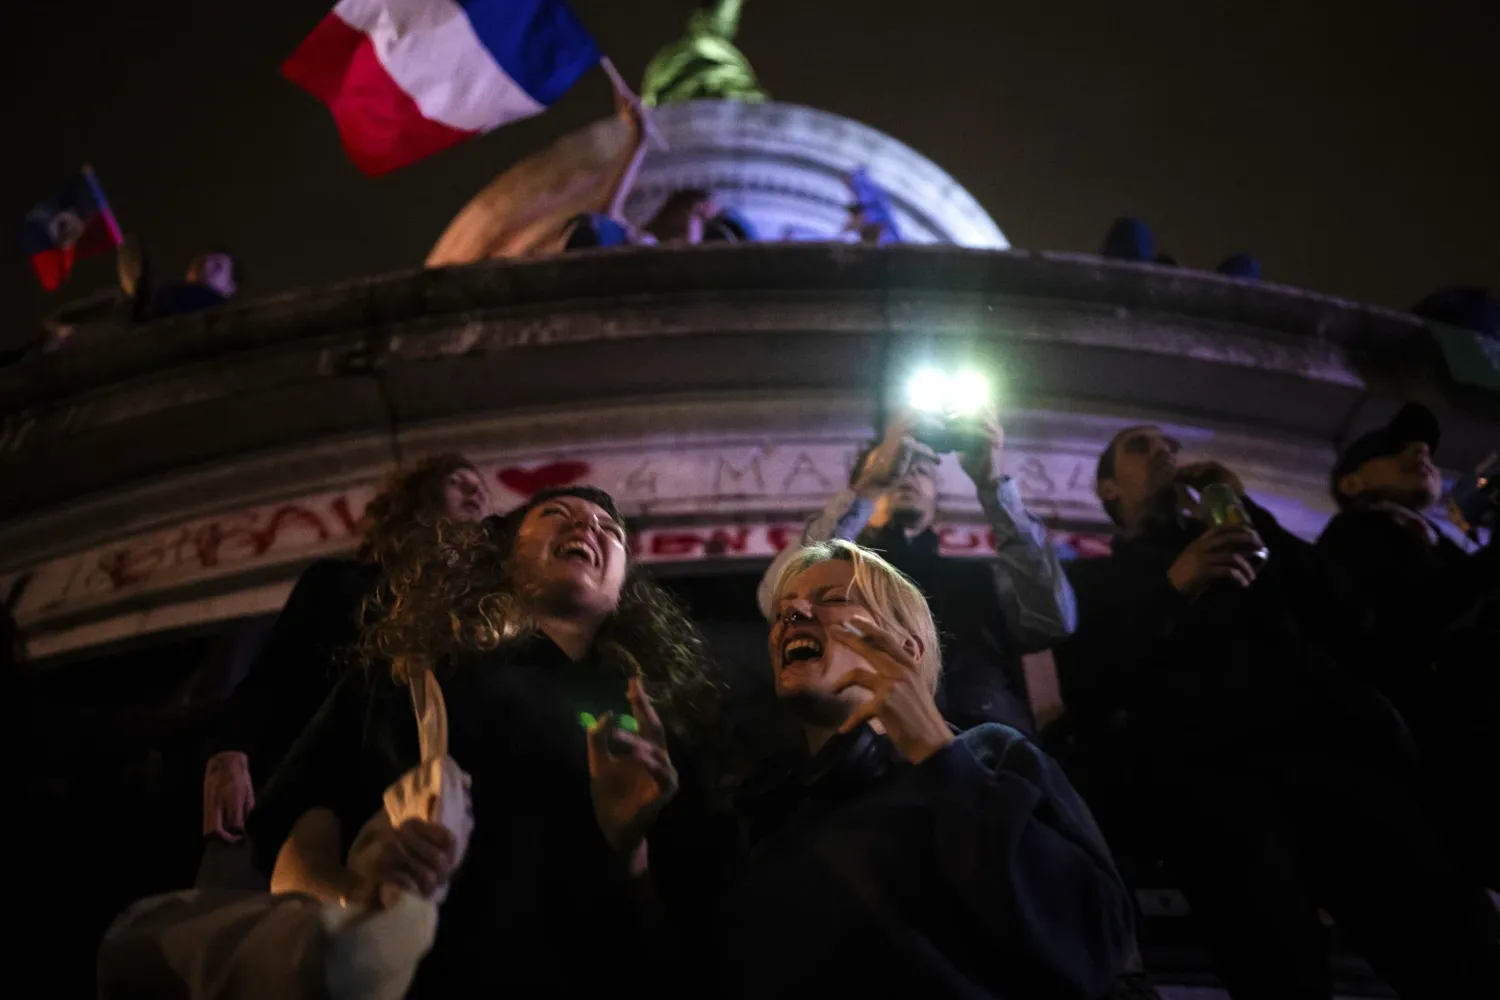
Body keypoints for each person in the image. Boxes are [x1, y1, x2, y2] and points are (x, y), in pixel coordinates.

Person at [1056, 424, 1500, 999]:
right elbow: (1091, 685)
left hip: (1338, 764)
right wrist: (1173, 587)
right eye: (1141, 448)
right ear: (1109, 489)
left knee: (1459, 952)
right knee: (1278, 973)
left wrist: (1250, 511)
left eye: (1171, 445)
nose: (1166, 451)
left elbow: (1349, 615)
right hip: (1215, 796)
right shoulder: (1090, 578)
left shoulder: (1251, 538)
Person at [247, 486, 729, 997]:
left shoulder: (658, 734)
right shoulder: (405, 677)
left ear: (623, 587)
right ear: (503, 554)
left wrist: (629, 847)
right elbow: (296, 852)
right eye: (556, 513)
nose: (587, 527)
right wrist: (360, 905)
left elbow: (684, 942)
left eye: (609, 531)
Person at [716, 540, 1134, 998]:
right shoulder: (765, 810)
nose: (791, 611)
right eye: (782, 611)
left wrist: (938, 756)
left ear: (907, 648)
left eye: (833, 598)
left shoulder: (992, 757)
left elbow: (1094, 941)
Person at [199, 456, 491, 860]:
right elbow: (271, 676)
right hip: (305, 795)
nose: (476, 491)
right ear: (418, 498)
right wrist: (229, 753)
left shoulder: (481, 607)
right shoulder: (337, 583)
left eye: (480, 486)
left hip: (421, 803)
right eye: (458, 481)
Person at [758, 410, 1075, 733]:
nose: (907, 477)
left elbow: (1054, 618)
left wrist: (993, 487)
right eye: (899, 467)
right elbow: (775, 598)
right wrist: (869, 486)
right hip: (867, 751)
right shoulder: (835, 579)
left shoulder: (978, 578)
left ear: (936, 496)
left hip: (983, 754)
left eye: (922, 470)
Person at [1317, 403, 1500, 886]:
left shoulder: (1440, 546)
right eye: (1390, 451)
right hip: (1428, 767)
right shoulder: (1353, 537)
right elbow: (1412, 619)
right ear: (1351, 484)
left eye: (1424, 452)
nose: (1420, 453)